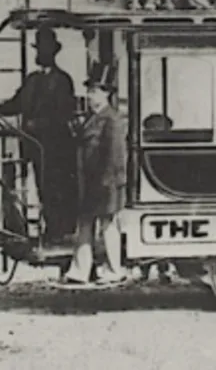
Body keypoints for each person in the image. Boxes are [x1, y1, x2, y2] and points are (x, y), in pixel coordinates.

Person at [0, 27, 78, 244]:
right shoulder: (32, 80)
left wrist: (36, 124)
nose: (38, 54)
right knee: (42, 188)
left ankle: (59, 232)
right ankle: (50, 229)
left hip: (57, 147)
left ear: (52, 53)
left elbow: (63, 113)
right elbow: (16, 103)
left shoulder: (63, 80)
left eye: (42, 50)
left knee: (57, 189)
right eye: (37, 49)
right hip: (35, 146)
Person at [60, 63, 129, 287]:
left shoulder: (112, 119)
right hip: (89, 183)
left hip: (103, 183)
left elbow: (116, 155)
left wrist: (108, 182)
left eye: (94, 91)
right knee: (86, 225)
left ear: (106, 94)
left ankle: (114, 269)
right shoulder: (93, 117)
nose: (89, 96)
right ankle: (80, 270)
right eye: (89, 91)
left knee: (108, 226)